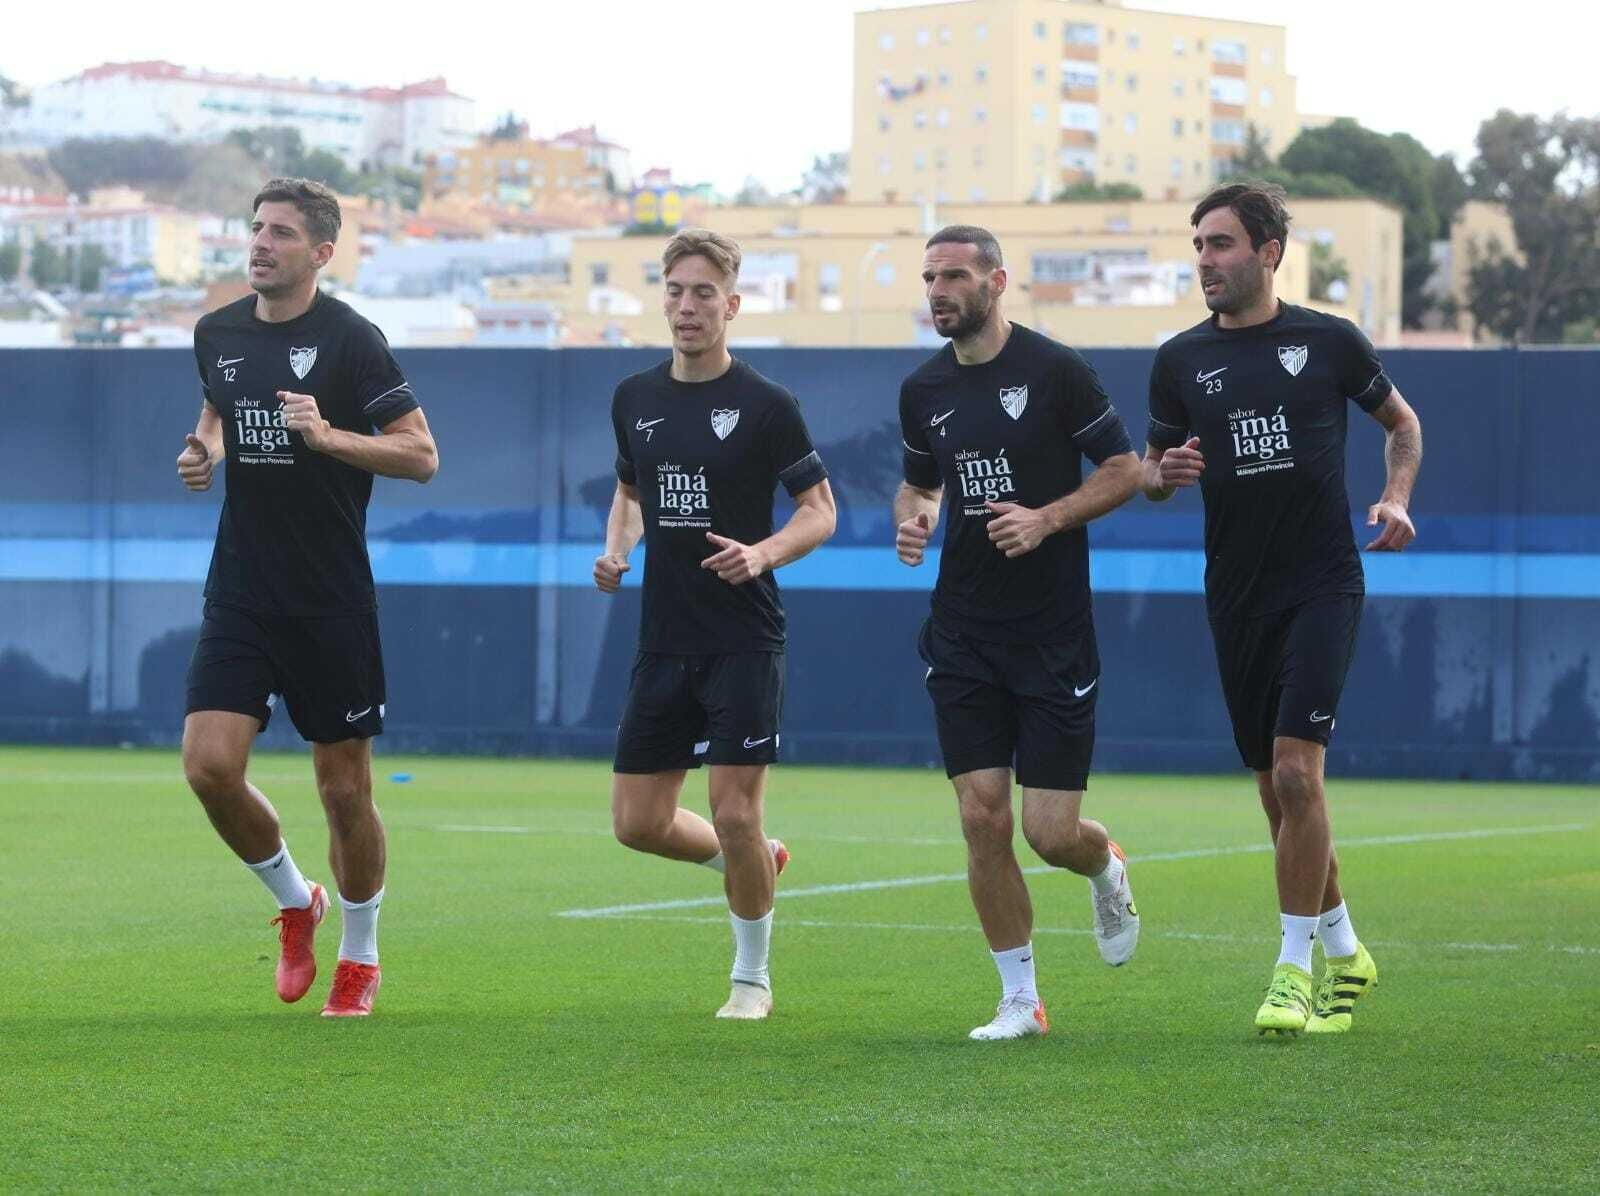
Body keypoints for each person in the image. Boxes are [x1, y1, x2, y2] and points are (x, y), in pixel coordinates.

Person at [1142, 181, 1422, 1035]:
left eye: (1221, 244)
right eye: (1198, 246)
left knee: (1300, 773)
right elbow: (1150, 471)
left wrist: (1397, 495)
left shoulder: (1329, 341)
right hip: (1234, 594)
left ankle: (1292, 971)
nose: (1205, 261)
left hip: (1321, 582)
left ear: (1268, 252)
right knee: (1276, 793)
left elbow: (1401, 424)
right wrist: (1163, 476)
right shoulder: (1180, 359)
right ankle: (1346, 950)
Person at [177, 177, 438, 1018]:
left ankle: (359, 957)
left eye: (282, 233)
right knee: (210, 768)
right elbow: (220, 401)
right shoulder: (215, 331)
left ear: (321, 253)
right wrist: (205, 447)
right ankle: (297, 899)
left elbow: (422, 454)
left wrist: (327, 436)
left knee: (342, 792)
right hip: (242, 591)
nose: (260, 243)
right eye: (256, 228)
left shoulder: (353, 341)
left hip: (330, 601)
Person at [893, 225, 1144, 1041]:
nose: (938, 289)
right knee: (981, 819)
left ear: (996, 282)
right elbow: (920, 485)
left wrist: (1046, 518)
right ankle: (1019, 1000)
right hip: (963, 628)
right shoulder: (923, 389)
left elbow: (1126, 470)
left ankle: (1105, 865)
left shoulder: (1056, 370)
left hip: (1052, 633)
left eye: (955, 275)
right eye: (930, 275)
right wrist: (915, 520)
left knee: (1049, 833)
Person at [594, 228, 836, 1020]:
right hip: (663, 639)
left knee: (734, 809)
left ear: (732, 305)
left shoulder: (768, 406)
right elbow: (630, 493)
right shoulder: (635, 397)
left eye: (704, 293)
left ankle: (752, 978)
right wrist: (615, 551)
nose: (688, 306)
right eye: (675, 291)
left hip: (743, 639)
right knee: (637, 824)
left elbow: (820, 513)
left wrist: (763, 554)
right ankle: (756, 861)